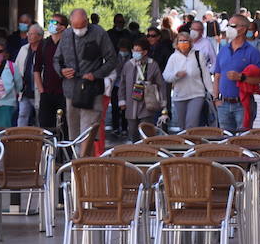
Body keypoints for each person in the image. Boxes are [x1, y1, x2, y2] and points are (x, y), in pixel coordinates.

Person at [54, 8, 118, 154]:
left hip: (91, 89)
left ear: (87, 22)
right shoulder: (66, 35)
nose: (78, 30)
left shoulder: (99, 33)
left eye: (81, 26)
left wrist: (96, 74)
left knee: (89, 131)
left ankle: (84, 164)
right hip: (71, 90)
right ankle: (77, 165)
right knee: (74, 132)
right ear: (70, 24)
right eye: (75, 27)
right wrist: (62, 71)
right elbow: (57, 59)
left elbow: (112, 59)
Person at [212, 13, 260, 133]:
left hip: (243, 104)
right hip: (223, 104)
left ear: (243, 28)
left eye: (233, 25)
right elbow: (217, 76)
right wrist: (215, 98)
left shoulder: (253, 52)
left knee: (243, 142)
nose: (230, 28)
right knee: (225, 143)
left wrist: (241, 77)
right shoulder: (223, 49)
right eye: (229, 25)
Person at [164, 28, 212, 130]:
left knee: (191, 124)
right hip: (180, 95)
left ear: (190, 42)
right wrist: (176, 75)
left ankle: (192, 143)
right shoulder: (173, 57)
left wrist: (212, 93)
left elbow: (206, 75)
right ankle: (185, 144)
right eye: (180, 41)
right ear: (176, 43)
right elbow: (166, 76)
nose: (183, 43)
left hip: (197, 94)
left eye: (185, 40)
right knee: (183, 126)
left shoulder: (198, 55)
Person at [118, 39, 166, 138]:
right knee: (132, 132)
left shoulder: (153, 65)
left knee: (146, 132)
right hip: (131, 104)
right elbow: (122, 83)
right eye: (134, 50)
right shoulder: (128, 65)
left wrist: (163, 103)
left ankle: (146, 151)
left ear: (145, 52)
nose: (135, 53)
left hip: (147, 104)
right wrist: (122, 100)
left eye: (138, 51)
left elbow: (160, 84)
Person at [37, 16, 67, 131]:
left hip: (64, 93)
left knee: (64, 128)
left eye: (54, 22)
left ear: (62, 27)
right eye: (50, 21)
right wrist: (41, 90)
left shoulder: (68, 44)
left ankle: (63, 149)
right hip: (47, 93)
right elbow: (37, 69)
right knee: (45, 127)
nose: (51, 24)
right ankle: (48, 149)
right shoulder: (44, 44)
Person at [13, 23, 46, 127]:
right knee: (22, 115)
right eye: (29, 33)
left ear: (40, 36)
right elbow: (16, 68)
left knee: (40, 117)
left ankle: (40, 140)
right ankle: (19, 138)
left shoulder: (44, 49)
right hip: (25, 91)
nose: (29, 36)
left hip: (39, 90)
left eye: (32, 34)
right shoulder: (24, 49)